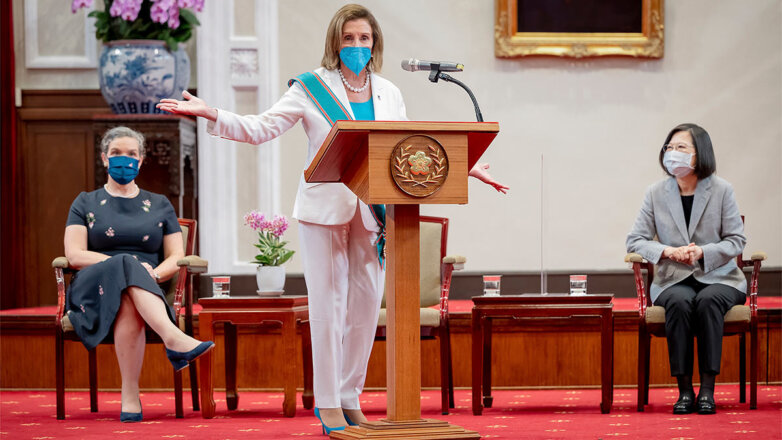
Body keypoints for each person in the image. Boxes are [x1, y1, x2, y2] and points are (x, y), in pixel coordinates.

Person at [158, 3, 507, 433]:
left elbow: (407, 146)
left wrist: (465, 167)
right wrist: (213, 113)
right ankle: (327, 403)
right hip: (323, 211)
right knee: (328, 307)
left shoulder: (389, 92)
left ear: (375, 43)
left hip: (374, 212)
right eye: (349, 38)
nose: (357, 45)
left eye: (364, 38)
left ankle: (349, 395)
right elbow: (262, 127)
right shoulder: (311, 87)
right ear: (335, 42)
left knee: (365, 308)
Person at [63, 127, 214, 423]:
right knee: (125, 264)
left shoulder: (160, 204)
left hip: (147, 287)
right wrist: (124, 264)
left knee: (129, 297)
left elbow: (176, 256)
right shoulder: (84, 202)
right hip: (94, 286)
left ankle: (130, 394)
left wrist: (149, 275)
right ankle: (173, 338)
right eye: (116, 153)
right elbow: (75, 255)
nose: (125, 159)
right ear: (104, 158)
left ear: (141, 160)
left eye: (132, 154)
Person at [626, 123, 747, 415]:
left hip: (720, 277)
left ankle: (707, 390)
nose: (672, 153)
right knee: (680, 302)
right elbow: (635, 240)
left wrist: (703, 252)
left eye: (681, 147)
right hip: (672, 279)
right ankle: (684, 391)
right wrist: (667, 251)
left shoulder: (722, 190)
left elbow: (736, 240)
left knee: (708, 301)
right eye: (669, 147)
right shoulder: (655, 193)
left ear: (699, 153)